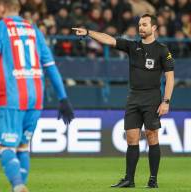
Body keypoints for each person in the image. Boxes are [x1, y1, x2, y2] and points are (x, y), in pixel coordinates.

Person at [73, 14, 175, 188]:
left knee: (152, 136)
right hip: (133, 97)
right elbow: (109, 40)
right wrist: (89, 32)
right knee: (131, 137)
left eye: (145, 24)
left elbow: (170, 77)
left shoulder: (162, 50)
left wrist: (166, 101)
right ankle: (129, 179)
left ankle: (153, 179)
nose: (141, 27)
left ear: (154, 28)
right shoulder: (132, 46)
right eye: (139, 25)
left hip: (152, 98)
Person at [0, 0, 74, 191]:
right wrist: (63, 98)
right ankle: (20, 184)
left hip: (10, 96)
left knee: (7, 147)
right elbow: (50, 67)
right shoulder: (34, 30)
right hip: (35, 98)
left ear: (0, 8)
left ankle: (17, 185)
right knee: (23, 146)